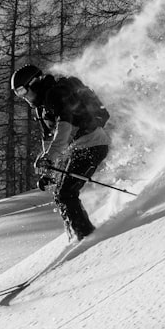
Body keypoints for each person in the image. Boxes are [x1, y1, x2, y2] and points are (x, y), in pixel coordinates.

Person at [10, 64, 111, 241]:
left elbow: (65, 127)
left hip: (94, 144)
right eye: (18, 94)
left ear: (33, 83)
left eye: (22, 91)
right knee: (60, 195)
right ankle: (76, 236)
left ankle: (88, 238)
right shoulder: (41, 107)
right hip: (78, 148)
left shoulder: (56, 94)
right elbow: (48, 140)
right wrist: (49, 171)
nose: (23, 97)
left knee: (66, 194)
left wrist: (50, 158)